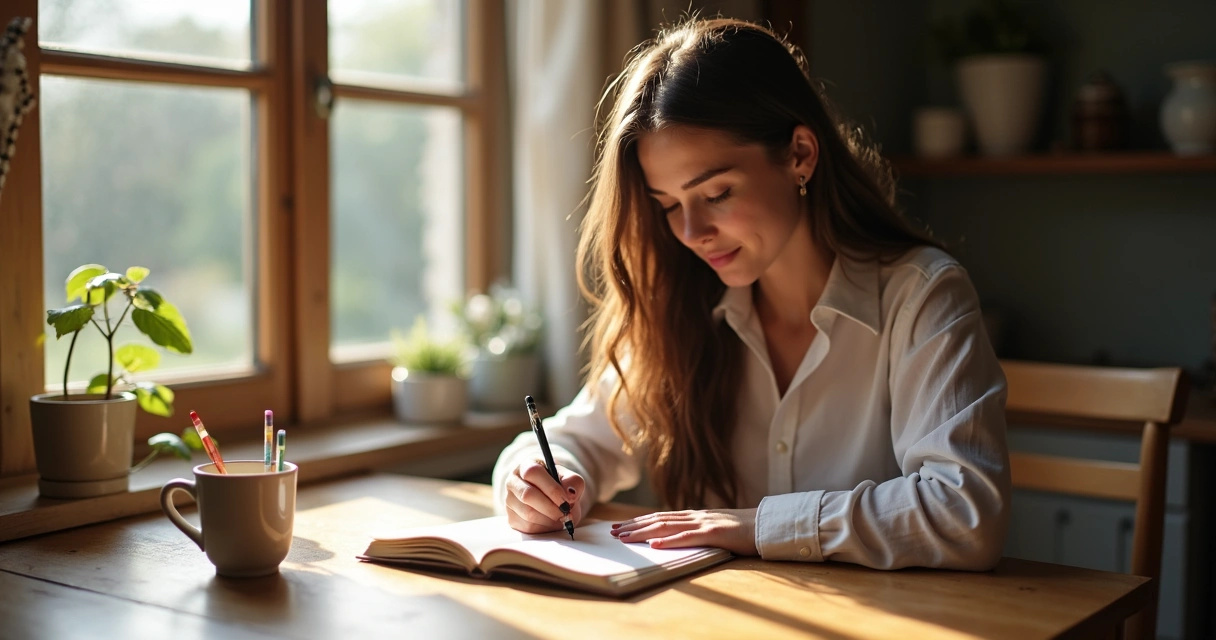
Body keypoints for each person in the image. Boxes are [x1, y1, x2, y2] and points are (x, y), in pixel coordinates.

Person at [491, 17, 1010, 571]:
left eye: (715, 193)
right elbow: (577, 443)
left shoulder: (923, 296)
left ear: (800, 156)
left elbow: (964, 512)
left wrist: (755, 525)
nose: (690, 232)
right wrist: (533, 479)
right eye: (667, 205)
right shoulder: (681, 308)